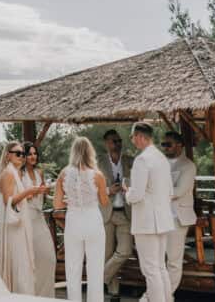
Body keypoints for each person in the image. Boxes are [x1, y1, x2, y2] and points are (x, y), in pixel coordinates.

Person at [54, 136, 109, 302]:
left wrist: (69, 199)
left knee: (72, 268)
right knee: (95, 268)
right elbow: (104, 202)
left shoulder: (63, 174)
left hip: (73, 221)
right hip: (93, 220)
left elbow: (57, 204)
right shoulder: (97, 175)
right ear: (90, 152)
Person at [125, 122, 174, 302]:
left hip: (146, 222)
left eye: (132, 137)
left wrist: (127, 192)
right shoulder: (162, 158)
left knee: (150, 270)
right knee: (160, 267)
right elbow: (170, 191)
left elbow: (136, 194)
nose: (132, 141)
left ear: (138, 136)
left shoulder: (142, 160)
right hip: (163, 219)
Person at [0, 141, 44, 294]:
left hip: (19, 225)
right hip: (13, 228)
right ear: (8, 155)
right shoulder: (8, 174)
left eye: (23, 153)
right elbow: (9, 201)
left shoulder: (13, 172)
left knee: (23, 264)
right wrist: (29, 191)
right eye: (18, 153)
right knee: (20, 264)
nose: (22, 156)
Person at [97, 129, 132, 300]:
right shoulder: (97, 163)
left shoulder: (130, 161)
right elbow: (90, 189)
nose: (117, 144)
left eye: (119, 141)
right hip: (106, 212)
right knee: (107, 254)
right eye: (113, 141)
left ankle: (98, 279)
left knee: (125, 250)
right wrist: (108, 190)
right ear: (106, 143)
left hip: (125, 213)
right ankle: (113, 292)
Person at [161, 131, 197, 292]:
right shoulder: (160, 163)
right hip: (159, 218)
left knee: (174, 261)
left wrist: (154, 192)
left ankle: (167, 295)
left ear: (179, 145)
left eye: (168, 144)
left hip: (177, 218)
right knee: (158, 260)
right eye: (163, 144)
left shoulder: (188, 165)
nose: (164, 147)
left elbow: (179, 190)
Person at [21, 141, 57, 297]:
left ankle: (45, 296)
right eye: (29, 154)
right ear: (24, 156)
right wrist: (36, 192)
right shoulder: (18, 174)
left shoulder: (39, 172)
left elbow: (43, 194)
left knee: (49, 257)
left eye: (35, 153)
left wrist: (47, 191)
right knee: (29, 260)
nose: (33, 156)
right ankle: (30, 295)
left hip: (38, 216)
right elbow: (22, 197)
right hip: (26, 216)